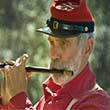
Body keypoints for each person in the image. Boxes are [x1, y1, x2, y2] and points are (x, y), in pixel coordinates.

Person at [0, 0, 110, 109]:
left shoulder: (96, 103)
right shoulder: (51, 94)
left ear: (87, 48)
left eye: (63, 43)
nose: (53, 55)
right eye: (52, 42)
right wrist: (7, 100)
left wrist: (18, 97)